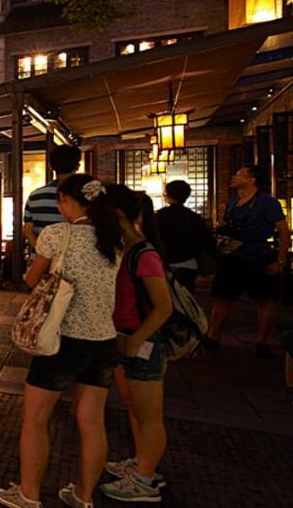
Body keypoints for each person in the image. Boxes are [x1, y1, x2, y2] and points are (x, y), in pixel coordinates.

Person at [0, 175, 123, 508]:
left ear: (66, 201)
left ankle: (29, 494)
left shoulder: (56, 234)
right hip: (104, 339)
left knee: (36, 419)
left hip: (62, 338)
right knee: (92, 422)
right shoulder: (114, 238)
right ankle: (83, 495)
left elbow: (32, 278)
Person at [99, 192, 174, 503]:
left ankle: (144, 480)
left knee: (149, 414)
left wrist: (135, 339)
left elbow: (163, 307)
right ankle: (144, 463)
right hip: (127, 338)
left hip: (142, 342)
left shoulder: (144, 254)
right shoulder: (126, 249)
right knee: (134, 407)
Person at [206, 164, 290, 356]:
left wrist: (280, 261)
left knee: (265, 299)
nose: (234, 176)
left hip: (258, 255)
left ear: (252, 180)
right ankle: (213, 336)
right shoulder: (233, 202)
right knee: (222, 297)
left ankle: (262, 341)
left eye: (239, 174)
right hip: (233, 255)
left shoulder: (268, 203)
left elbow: (284, 232)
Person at [153, 180, 216, 293]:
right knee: (186, 300)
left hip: (163, 264)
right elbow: (207, 241)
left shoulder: (159, 216)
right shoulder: (194, 217)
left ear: (167, 194)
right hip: (189, 263)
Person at [24, 145, 83, 250]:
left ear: (50, 166)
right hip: (76, 258)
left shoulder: (35, 196)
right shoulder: (85, 193)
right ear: (77, 166)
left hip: (40, 261)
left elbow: (28, 230)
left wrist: (42, 252)